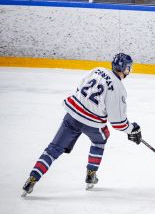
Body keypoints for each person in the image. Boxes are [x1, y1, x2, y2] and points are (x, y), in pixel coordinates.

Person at [22, 53, 142, 196]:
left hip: (72, 116)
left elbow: (80, 87)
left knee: (53, 149)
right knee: (100, 140)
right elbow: (118, 122)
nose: (129, 70)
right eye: (129, 68)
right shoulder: (118, 88)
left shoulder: (97, 70)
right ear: (125, 68)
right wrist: (131, 129)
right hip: (92, 124)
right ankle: (91, 174)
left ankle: (32, 178)